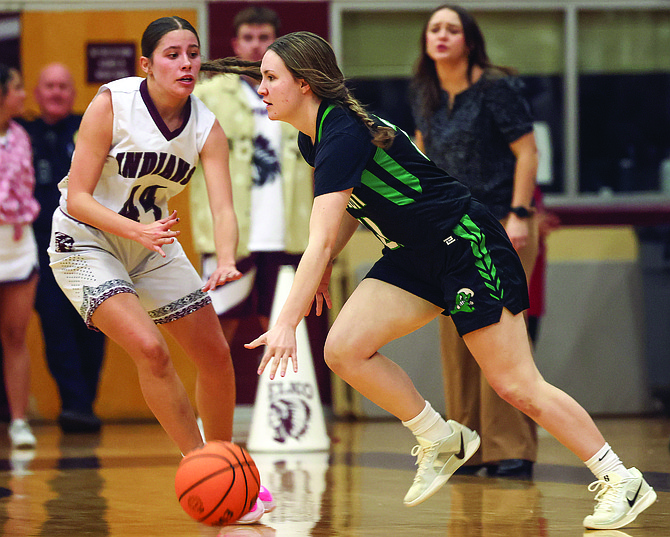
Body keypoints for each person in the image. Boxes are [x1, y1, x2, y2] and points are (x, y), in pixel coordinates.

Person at [202, 31, 657, 530]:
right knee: (344, 349)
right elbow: (347, 214)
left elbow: (318, 236)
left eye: (271, 78)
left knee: (515, 385)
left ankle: (621, 479)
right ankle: (439, 437)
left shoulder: (341, 133)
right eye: (261, 77)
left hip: (463, 244)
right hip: (411, 256)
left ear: (306, 84)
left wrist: (287, 318)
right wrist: (325, 264)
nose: (262, 87)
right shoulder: (313, 138)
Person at [46, 17, 271, 524]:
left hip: (151, 242)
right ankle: (203, 469)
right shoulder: (112, 103)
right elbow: (78, 197)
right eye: (172, 54)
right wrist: (135, 233)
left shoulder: (205, 125)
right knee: (150, 348)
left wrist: (229, 258)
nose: (186, 62)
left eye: (193, 53)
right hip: (85, 239)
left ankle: (230, 470)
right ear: (146, 64)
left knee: (215, 354)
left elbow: (224, 209)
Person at [409, 4, 540, 479]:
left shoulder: (495, 89)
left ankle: (511, 447)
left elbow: (527, 152)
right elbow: (422, 156)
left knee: (501, 338)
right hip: (450, 228)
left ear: (468, 40)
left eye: (452, 29)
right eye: (434, 29)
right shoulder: (425, 92)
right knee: (456, 335)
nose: (441, 36)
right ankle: (468, 443)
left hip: (504, 224)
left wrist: (520, 214)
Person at [190, 6, 313, 358]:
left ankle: (286, 414)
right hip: (232, 234)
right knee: (218, 327)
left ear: (278, 43)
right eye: (248, 38)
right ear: (235, 44)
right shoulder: (210, 96)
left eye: (264, 38)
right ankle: (206, 415)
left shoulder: (300, 93)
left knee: (283, 330)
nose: (256, 46)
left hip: (286, 231)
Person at [19, 63, 107, 434]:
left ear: (73, 94)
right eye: (49, 86)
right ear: (37, 93)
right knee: (56, 328)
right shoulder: (23, 133)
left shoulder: (86, 128)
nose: (56, 92)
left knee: (94, 325)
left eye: (63, 86)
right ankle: (75, 405)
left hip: (88, 246)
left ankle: (84, 403)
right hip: (40, 251)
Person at [0, 63, 39, 449]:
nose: (22, 94)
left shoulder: (21, 135)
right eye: (16, 87)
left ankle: (19, 420)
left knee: (16, 334)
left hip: (17, 242)